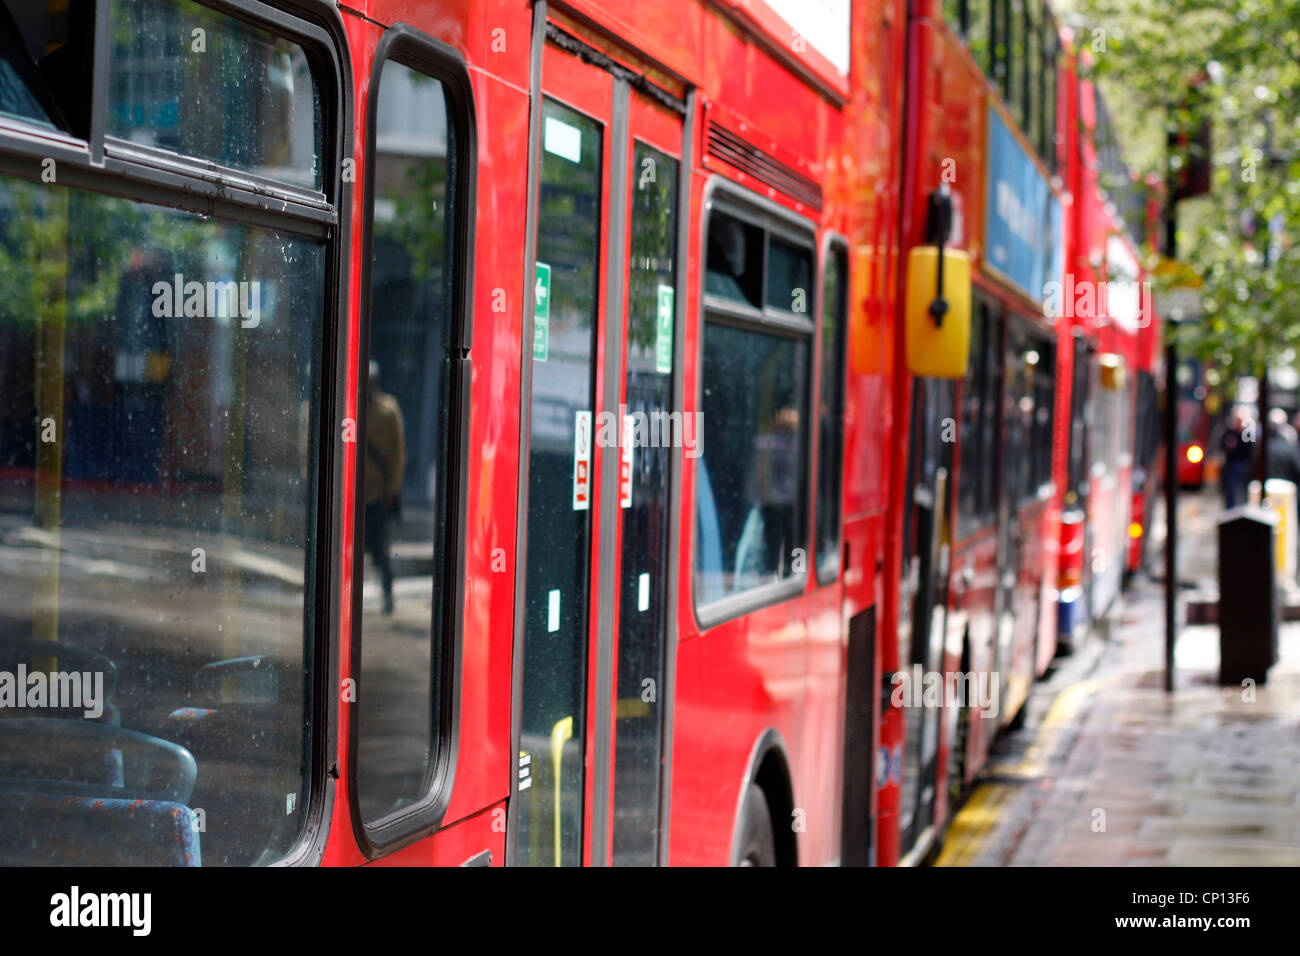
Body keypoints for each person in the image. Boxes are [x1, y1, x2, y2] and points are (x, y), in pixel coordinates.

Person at [365, 361, 406, 614]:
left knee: (380, 549)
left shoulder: (388, 410)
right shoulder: (352, 406)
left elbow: (398, 454)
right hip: (355, 496)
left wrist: (392, 490)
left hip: (378, 495)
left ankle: (388, 594)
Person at [1220, 407, 1253, 509]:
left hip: (1242, 465)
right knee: (1230, 490)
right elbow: (1222, 446)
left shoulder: (1247, 434)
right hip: (1230, 465)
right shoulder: (1229, 432)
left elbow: (1250, 451)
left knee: (1242, 491)